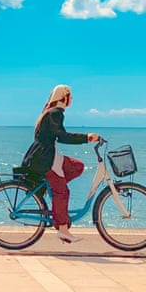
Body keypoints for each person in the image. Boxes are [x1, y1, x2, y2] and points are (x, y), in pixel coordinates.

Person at [19, 84, 99, 244]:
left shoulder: (50, 112)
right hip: (45, 159)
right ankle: (63, 229)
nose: (72, 99)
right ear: (64, 97)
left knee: (77, 166)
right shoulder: (55, 113)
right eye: (70, 96)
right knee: (62, 192)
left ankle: (54, 190)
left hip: (46, 155)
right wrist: (87, 137)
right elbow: (62, 137)